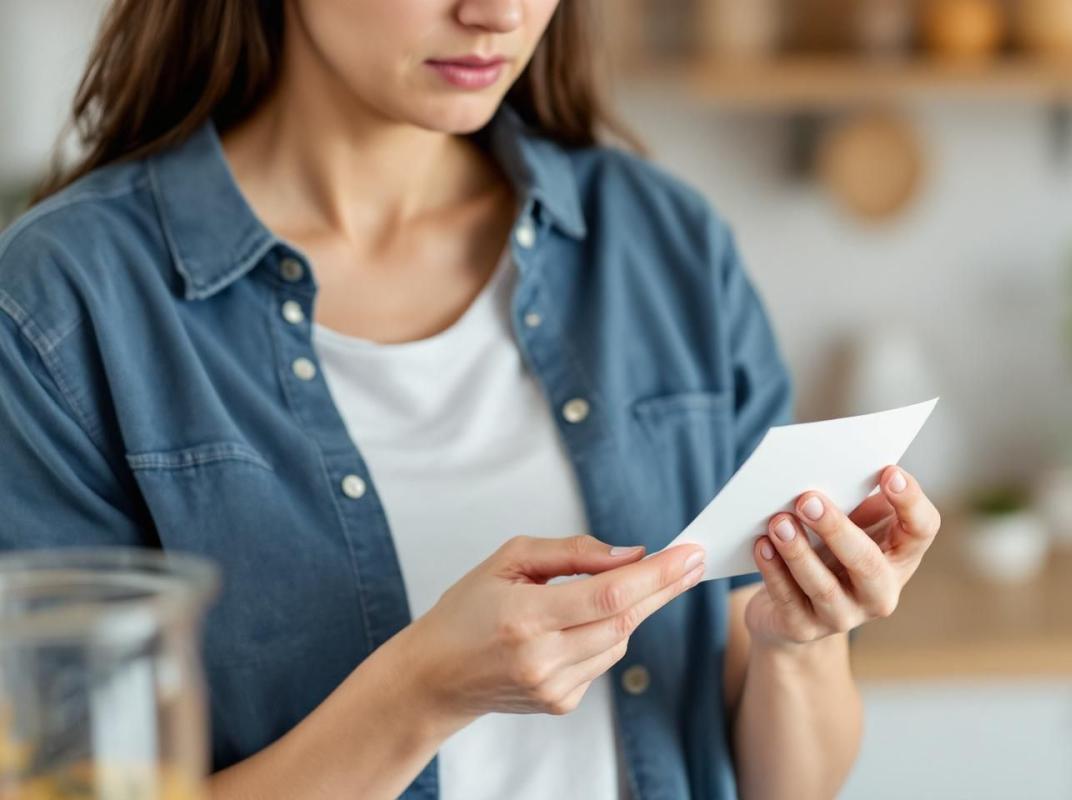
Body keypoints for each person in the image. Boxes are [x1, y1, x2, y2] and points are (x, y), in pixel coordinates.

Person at [0, 1, 943, 798]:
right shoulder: (64, 306)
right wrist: (421, 692)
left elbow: (789, 781)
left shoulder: (667, 243)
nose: (498, 13)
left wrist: (798, 644)